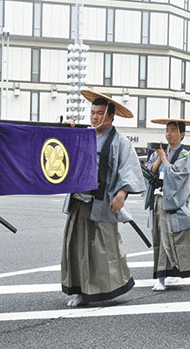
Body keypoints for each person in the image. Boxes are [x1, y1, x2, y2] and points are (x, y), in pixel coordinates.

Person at [61, 90, 145, 307]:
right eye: (92, 113)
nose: (95, 117)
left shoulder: (120, 142)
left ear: (110, 117)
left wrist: (121, 193)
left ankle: (105, 289)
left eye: (100, 113)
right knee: (77, 246)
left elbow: (129, 170)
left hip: (102, 201)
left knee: (102, 248)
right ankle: (79, 290)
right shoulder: (84, 135)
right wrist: (68, 133)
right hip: (79, 200)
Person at [144, 119, 190, 292]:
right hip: (158, 199)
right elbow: (148, 172)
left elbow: (178, 176)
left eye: (173, 130)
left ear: (182, 134)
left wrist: (164, 159)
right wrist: (160, 159)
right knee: (159, 239)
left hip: (172, 202)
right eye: (167, 130)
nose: (168, 134)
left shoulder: (185, 154)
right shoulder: (159, 152)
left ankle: (165, 275)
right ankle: (163, 274)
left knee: (171, 239)